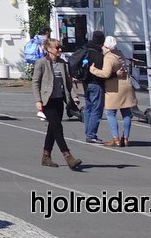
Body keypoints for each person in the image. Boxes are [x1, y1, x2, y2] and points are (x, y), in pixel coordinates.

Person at [34, 37, 84, 170]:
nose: (60, 49)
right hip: (47, 101)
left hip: (59, 100)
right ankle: (68, 157)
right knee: (57, 128)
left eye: (59, 47)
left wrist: (74, 97)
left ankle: (46, 157)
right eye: (57, 48)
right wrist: (38, 101)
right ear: (49, 49)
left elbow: (67, 83)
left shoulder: (62, 63)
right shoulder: (41, 63)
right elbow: (36, 83)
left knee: (52, 129)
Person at [90, 35, 136, 146]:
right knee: (126, 113)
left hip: (114, 88)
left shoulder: (108, 57)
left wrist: (93, 69)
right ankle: (125, 138)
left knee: (110, 113)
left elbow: (106, 73)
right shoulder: (120, 53)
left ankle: (115, 138)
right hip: (126, 86)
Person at [73, 29, 106, 144]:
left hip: (86, 83)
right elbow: (104, 72)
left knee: (88, 108)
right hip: (97, 84)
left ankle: (88, 133)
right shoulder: (98, 54)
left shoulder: (86, 50)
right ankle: (91, 135)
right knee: (97, 110)